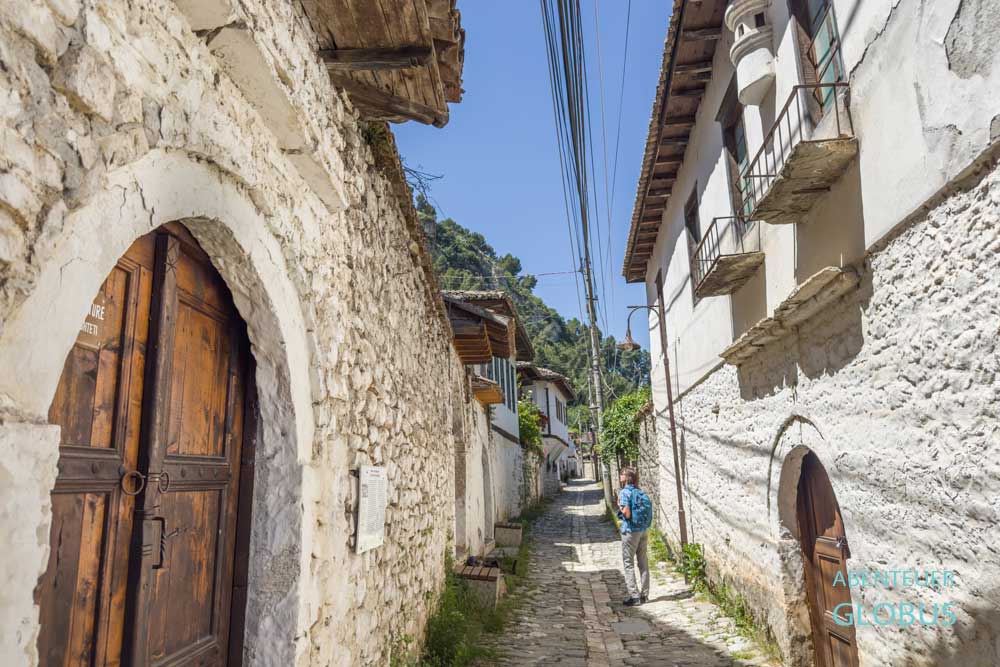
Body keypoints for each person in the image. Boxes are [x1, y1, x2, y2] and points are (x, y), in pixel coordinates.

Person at [617, 467, 650, 606]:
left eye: (622, 474)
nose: (620, 476)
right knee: (643, 562)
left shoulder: (625, 492)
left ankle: (634, 596)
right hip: (643, 530)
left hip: (631, 531)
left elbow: (627, 514)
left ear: (627, 477)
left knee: (628, 563)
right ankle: (644, 595)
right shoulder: (639, 491)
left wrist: (619, 505)